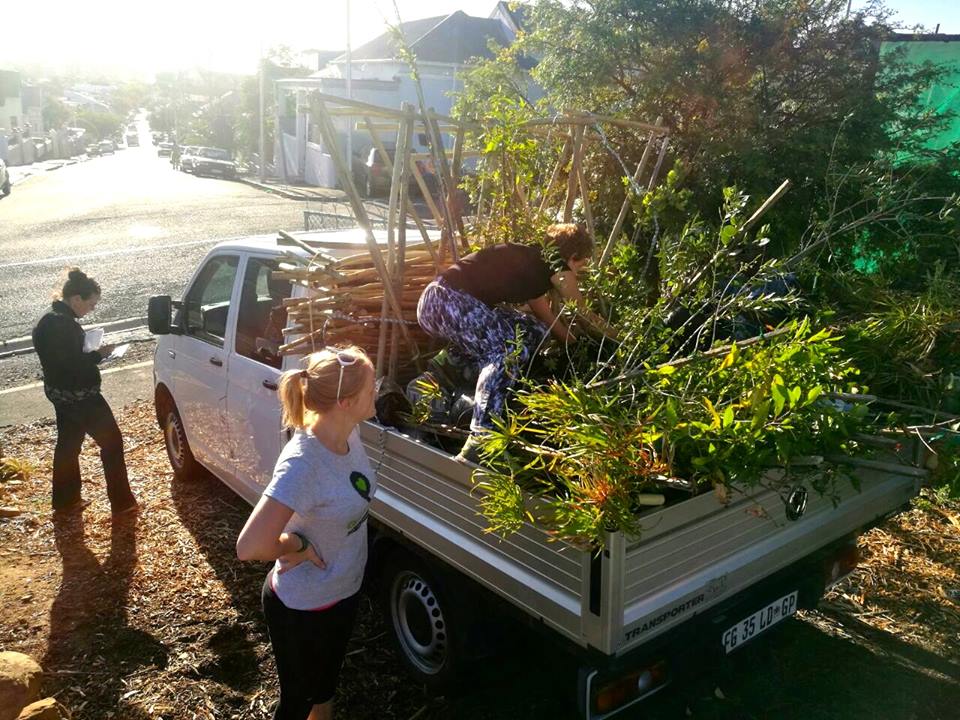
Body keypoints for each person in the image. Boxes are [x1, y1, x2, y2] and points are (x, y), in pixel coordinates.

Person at [236, 346, 377, 720]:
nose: (377, 391)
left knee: (325, 689)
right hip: (304, 607)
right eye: (371, 387)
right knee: (297, 705)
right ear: (346, 402)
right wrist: (296, 544)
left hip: (342, 589)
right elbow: (249, 546)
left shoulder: (348, 432)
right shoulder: (304, 463)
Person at [416, 223, 616, 463]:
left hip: (445, 302)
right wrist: (620, 338)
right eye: (580, 265)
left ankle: (455, 365)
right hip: (444, 299)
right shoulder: (556, 266)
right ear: (572, 257)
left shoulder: (533, 265)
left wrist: (572, 345)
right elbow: (582, 313)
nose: (577, 272)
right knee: (507, 349)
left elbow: (546, 318)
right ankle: (481, 437)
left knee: (534, 331)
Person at [31, 268, 137, 515]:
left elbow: (61, 359)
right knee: (112, 443)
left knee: (68, 444)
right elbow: (73, 364)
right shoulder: (62, 325)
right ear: (77, 299)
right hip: (81, 395)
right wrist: (98, 355)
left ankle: (65, 500)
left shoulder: (50, 318)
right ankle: (122, 503)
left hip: (59, 392)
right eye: (91, 304)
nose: (92, 309)